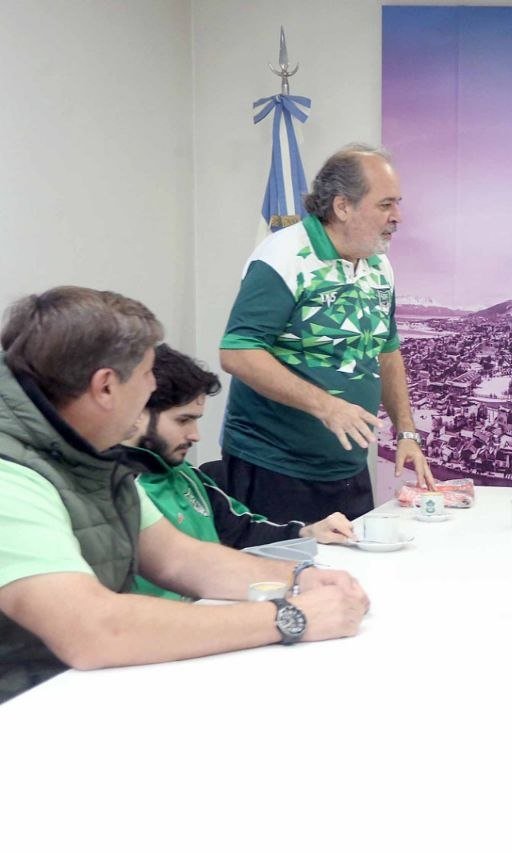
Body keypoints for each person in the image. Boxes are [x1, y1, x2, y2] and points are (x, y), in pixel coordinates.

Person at [0, 287, 369, 705]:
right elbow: (92, 629)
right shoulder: (11, 476)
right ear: (105, 387)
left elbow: (177, 558)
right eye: (147, 374)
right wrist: (289, 617)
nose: (152, 387)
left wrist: (298, 578)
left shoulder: (85, 454)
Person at [219, 143, 434, 523]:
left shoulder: (379, 265)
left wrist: (406, 432)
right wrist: (327, 406)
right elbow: (238, 352)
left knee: (355, 560)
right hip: (274, 466)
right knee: (289, 562)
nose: (398, 216)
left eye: (397, 204)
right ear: (342, 206)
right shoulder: (283, 257)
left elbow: (386, 351)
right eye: (385, 204)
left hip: (347, 467)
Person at [122, 345, 357, 601]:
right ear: (137, 412)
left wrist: (307, 532)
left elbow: (241, 530)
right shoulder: (116, 489)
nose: (195, 435)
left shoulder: (185, 474)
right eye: (183, 420)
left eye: (196, 420)